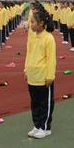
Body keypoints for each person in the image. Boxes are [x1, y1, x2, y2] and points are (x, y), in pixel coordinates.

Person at [24, 8, 56, 139]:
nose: (30, 25)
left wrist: (50, 76)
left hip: (43, 77)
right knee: (35, 102)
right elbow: (28, 55)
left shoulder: (49, 38)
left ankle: (45, 127)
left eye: (33, 22)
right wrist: (26, 70)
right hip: (33, 76)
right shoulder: (32, 37)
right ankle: (37, 125)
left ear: (41, 23)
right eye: (30, 22)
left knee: (45, 103)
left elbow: (51, 59)